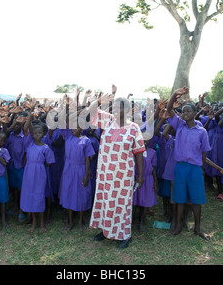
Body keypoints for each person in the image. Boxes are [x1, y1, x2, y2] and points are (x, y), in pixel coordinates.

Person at [165, 90, 223, 240]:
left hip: (195, 169)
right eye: (183, 111)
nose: (184, 113)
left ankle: (198, 228)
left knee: (196, 200)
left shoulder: (202, 132)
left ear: (195, 113)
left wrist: (202, 170)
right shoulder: (179, 126)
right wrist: (175, 94)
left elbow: (203, 155)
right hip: (180, 167)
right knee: (180, 198)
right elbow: (169, 109)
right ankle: (178, 226)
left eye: (188, 111)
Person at [87, 93, 146, 249]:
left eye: (118, 107)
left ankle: (124, 235)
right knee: (105, 201)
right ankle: (106, 230)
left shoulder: (134, 128)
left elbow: (139, 151)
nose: (114, 109)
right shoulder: (107, 122)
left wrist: (140, 174)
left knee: (122, 203)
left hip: (123, 174)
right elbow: (91, 111)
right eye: (113, 106)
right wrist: (99, 101)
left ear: (127, 110)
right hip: (105, 172)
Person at [20, 125, 55, 233]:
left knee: (39, 196)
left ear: (43, 134)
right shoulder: (30, 144)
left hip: (39, 173)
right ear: (32, 135)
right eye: (35, 133)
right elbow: (26, 128)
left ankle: (42, 223)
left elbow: (49, 162)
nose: (37, 135)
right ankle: (34, 221)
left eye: (39, 133)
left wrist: (39, 166)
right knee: (30, 196)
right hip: (28, 173)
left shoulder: (45, 148)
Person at [59, 126, 95, 231]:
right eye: (73, 128)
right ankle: (70, 222)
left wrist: (86, 174)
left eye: (77, 128)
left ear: (82, 129)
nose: (73, 130)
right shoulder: (68, 136)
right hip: (69, 169)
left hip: (81, 169)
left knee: (82, 194)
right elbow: (66, 120)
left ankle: (80, 221)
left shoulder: (86, 140)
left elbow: (87, 158)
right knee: (68, 193)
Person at [132, 139, 158, 233]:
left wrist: (155, 181)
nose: (144, 141)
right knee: (134, 201)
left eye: (146, 140)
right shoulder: (133, 151)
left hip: (148, 179)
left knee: (145, 201)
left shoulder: (152, 152)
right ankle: (131, 220)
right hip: (135, 178)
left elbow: (154, 168)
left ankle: (142, 221)